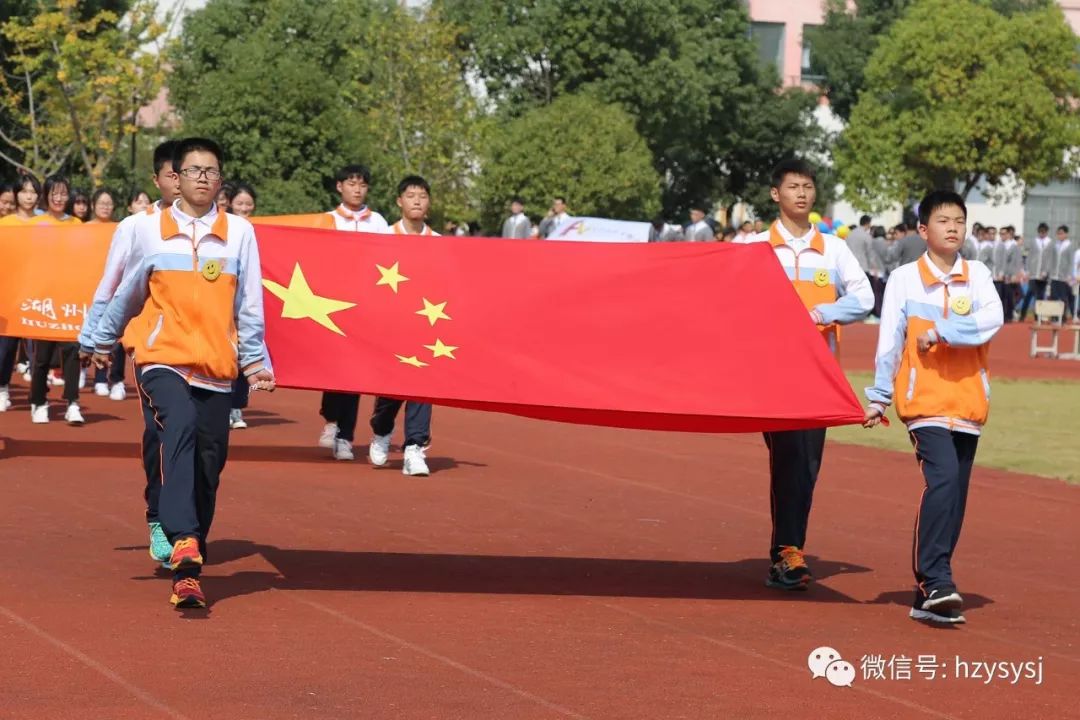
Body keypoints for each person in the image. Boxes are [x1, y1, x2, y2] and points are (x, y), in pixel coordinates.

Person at [90, 137, 273, 609]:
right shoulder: (150, 230)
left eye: (212, 172)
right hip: (162, 357)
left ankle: (188, 562)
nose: (203, 179)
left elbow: (250, 304)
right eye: (194, 171)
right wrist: (99, 339)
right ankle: (182, 537)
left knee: (209, 466)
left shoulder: (240, 233)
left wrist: (254, 362)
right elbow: (128, 294)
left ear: (220, 181)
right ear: (178, 177)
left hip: (216, 365)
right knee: (179, 425)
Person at [864, 190, 1003, 625]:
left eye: (959, 221)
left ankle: (928, 596)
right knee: (941, 481)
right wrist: (879, 395)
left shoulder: (977, 274)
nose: (953, 228)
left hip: (967, 403)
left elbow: (991, 319)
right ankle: (935, 579)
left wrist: (943, 330)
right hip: (923, 402)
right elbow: (889, 340)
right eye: (943, 221)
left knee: (955, 498)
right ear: (923, 230)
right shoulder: (905, 279)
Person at [736, 159, 873, 591]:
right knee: (791, 455)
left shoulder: (833, 249)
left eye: (808, 187)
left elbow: (864, 297)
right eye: (793, 186)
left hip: (819, 376)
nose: (802, 193)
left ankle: (787, 550)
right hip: (772, 374)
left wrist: (820, 312)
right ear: (775, 194)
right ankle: (787, 552)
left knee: (808, 464)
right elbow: (730, 298)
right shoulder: (755, 246)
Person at [79, 140, 182, 564]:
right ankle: (160, 517)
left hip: (208, 350)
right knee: (162, 432)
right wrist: (93, 338)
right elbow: (111, 283)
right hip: (153, 346)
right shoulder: (136, 226)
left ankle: (190, 519)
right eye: (174, 174)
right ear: (157, 180)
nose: (185, 181)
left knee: (203, 444)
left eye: (195, 172)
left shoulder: (227, 230)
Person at [318, 164, 390, 460]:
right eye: (351, 183)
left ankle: (345, 436)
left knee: (355, 373)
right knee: (333, 370)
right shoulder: (326, 220)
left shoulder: (379, 222)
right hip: (331, 306)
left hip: (364, 307)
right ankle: (331, 419)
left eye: (362, 185)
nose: (357, 189)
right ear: (339, 187)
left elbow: (389, 261)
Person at [372, 175, 439, 477]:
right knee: (390, 389)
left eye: (422, 196)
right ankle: (381, 430)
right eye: (410, 195)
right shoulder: (383, 236)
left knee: (422, 385)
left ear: (429, 202)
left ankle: (415, 447)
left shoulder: (439, 243)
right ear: (399, 201)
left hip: (425, 325)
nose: (416, 200)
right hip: (389, 325)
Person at [224, 182, 257, 428]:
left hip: (248, 301)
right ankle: (222, 405)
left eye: (248, 204)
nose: (244, 207)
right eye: (240, 203)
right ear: (230, 204)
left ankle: (236, 408)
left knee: (244, 352)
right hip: (223, 299)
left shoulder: (259, 230)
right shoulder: (224, 228)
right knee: (226, 353)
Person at [1048, 225, 1076, 320]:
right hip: (1054, 276)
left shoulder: (1070, 246)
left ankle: (1063, 317)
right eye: (1058, 233)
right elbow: (1052, 260)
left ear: (1066, 234)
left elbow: (1071, 262)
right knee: (1053, 297)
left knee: (1063, 298)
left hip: (1064, 277)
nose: (1059, 235)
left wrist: (1069, 275)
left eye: (1061, 233)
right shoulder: (1055, 245)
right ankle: (1054, 316)